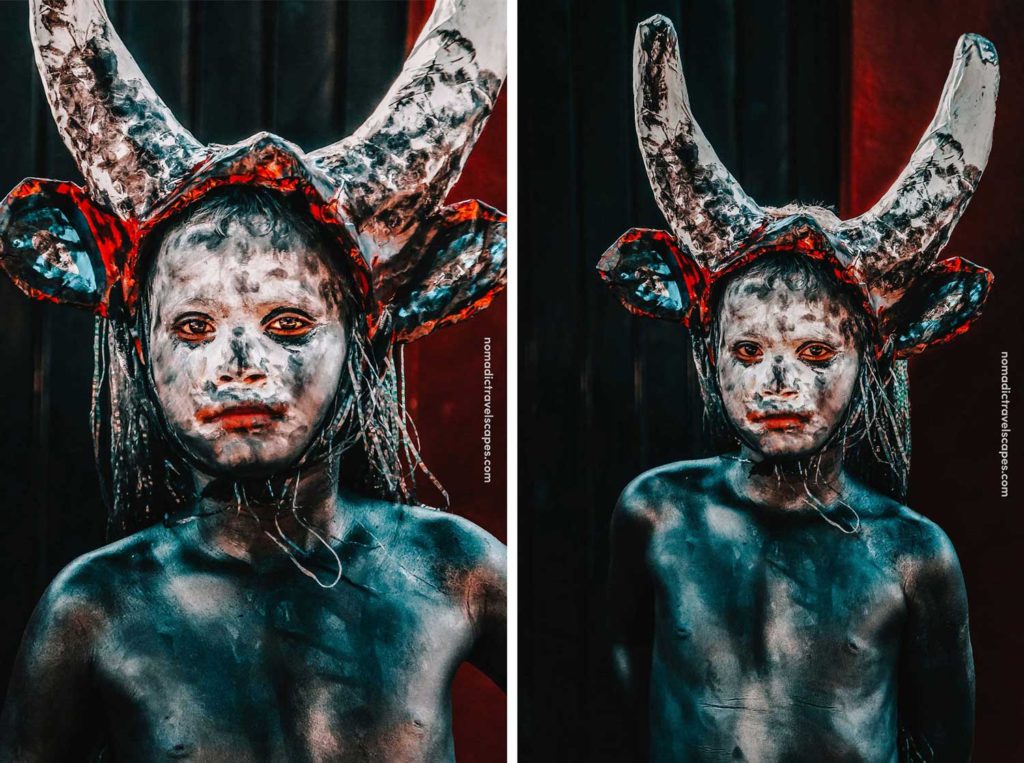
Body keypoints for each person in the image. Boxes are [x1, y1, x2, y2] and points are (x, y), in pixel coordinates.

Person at [0, 0, 506, 759]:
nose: (238, 360)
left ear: (364, 334)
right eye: (194, 327)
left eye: (288, 323)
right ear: (141, 346)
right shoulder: (92, 613)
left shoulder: (459, 573)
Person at [599, 15, 997, 761]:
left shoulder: (915, 558)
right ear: (707, 347)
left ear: (875, 356)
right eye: (747, 348)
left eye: (816, 350)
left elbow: (943, 740)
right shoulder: (653, 513)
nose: (777, 379)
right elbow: (621, 671)